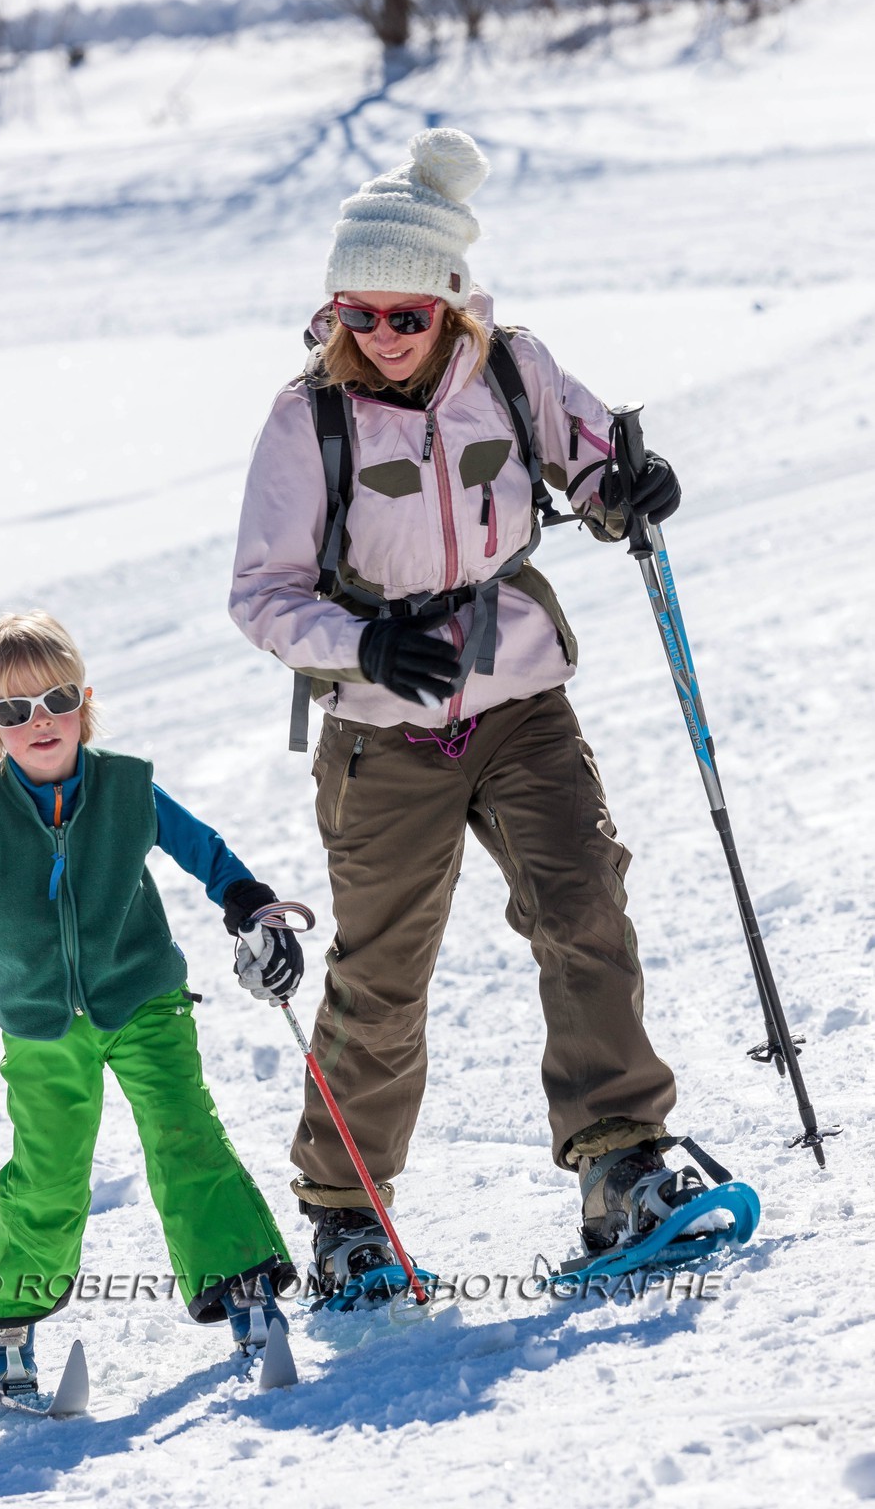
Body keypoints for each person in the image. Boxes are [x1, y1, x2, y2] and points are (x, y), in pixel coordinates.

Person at [229, 127, 720, 1295]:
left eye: (405, 316)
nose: (381, 338)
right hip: (379, 728)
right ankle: (347, 1215)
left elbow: (590, 456)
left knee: (581, 902)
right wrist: (361, 642)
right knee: (384, 969)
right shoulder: (309, 421)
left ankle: (623, 1164)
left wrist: (624, 487)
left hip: (516, 694)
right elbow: (261, 595)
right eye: (358, 315)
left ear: (451, 303)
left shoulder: (512, 368)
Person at [0, 610, 303, 1390]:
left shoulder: (127, 786)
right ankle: (8, 1321)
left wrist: (251, 905)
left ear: (85, 701)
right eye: (13, 710)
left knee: (185, 1137)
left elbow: (205, 852)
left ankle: (242, 1287)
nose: (38, 721)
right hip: (41, 1028)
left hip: (144, 999)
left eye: (55, 699)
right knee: (46, 1172)